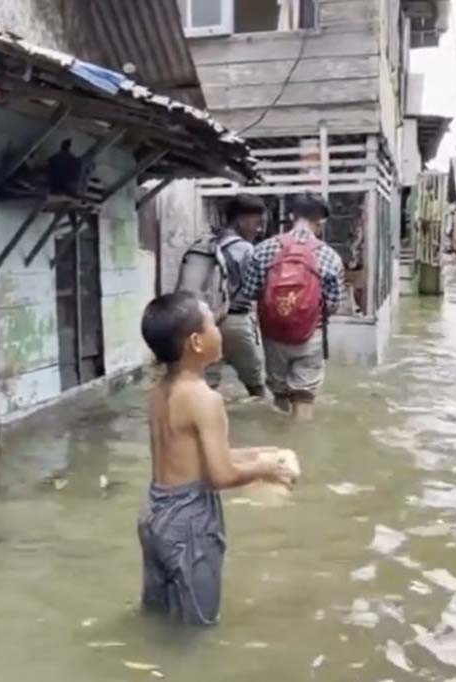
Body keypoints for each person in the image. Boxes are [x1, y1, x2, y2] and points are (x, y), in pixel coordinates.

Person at [137, 292, 297, 626]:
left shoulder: (158, 391)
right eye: (213, 322)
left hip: (155, 515)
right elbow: (219, 476)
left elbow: (196, 459)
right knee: (197, 626)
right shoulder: (205, 399)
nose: (220, 329)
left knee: (156, 616)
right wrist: (267, 468)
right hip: (190, 522)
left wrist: (256, 454)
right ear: (197, 341)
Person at [240, 193, 345, 422]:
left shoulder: (263, 249)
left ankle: (279, 442)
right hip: (310, 335)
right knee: (304, 395)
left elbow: (248, 293)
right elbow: (333, 304)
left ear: (290, 216)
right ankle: (302, 449)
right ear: (321, 221)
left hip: (273, 335)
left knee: (279, 393)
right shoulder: (330, 256)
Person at [205, 195, 268, 397]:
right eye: (257, 223)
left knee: (207, 386)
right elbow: (256, 290)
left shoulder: (207, 244)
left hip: (205, 322)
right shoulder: (246, 249)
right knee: (256, 387)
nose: (258, 229)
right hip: (235, 321)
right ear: (241, 219)